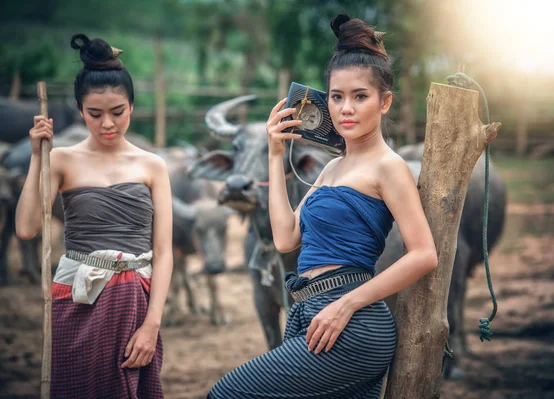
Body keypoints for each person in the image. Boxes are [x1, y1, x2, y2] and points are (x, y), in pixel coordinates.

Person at [207, 14, 438, 399]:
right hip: (307, 310)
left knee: (226, 394)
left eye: (360, 96)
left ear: (385, 103)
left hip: (353, 319)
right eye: (336, 96)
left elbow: (424, 255)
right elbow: (284, 239)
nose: (346, 108)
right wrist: (274, 153)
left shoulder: (389, 166)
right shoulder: (332, 166)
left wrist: (346, 305)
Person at [15, 34, 172, 398]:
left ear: (131, 106)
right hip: (76, 299)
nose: (107, 125)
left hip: (133, 299)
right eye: (94, 114)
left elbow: (163, 253)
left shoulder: (153, 165)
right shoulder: (62, 160)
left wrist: (152, 324)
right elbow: (25, 228)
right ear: (78, 108)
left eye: (117, 112)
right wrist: (39, 156)